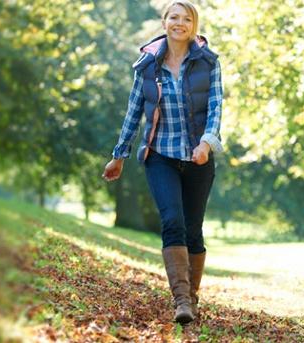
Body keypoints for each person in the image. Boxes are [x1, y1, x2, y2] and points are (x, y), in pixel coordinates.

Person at [102, 0, 222, 324]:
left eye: (186, 19)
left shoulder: (208, 63)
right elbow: (133, 111)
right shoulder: (147, 65)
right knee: (173, 221)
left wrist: (207, 144)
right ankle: (181, 300)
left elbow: (215, 109)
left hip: (198, 160)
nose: (179, 23)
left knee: (193, 230)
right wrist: (119, 156)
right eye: (174, 17)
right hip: (160, 156)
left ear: (193, 25)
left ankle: (192, 297)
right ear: (164, 21)